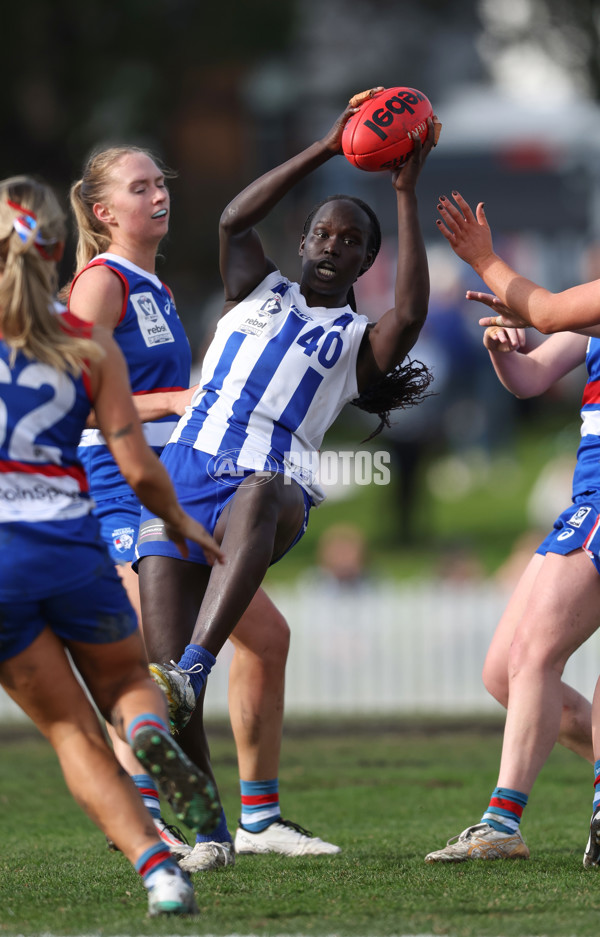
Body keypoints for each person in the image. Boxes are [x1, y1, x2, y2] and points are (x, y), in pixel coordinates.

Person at [134, 90, 438, 839]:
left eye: (350, 241)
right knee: (166, 682)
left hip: (271, 483)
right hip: (186, 472)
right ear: (302, 242)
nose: (334, 245)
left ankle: (197, 665)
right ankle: (210, 835)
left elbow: (414, 313)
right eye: (323, 233)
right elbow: (234, 217)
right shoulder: (255, 285)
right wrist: (330, 146)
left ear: (366, 260)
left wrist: (401, 194)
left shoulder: (358, 338)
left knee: (261, 495)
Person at [65, 145, 339, 870]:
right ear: (103, 211)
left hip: (171, 473)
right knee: (137, 660)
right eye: (139, 186)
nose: (158, 194)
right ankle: (151, 816)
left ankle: (258, 819)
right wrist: (178, 399)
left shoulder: (151, 282)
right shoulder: (100, 281)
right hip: (118, 478)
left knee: (266, 639)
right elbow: (74, 388)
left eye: (162, 182)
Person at [0, 174, 227, 916]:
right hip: (70, 544)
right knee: (127, 684)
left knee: (69, 727)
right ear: (62, 247)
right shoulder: (90, 351)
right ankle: (151, 736)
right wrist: (185, 523)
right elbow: (135, 465)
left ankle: (159, 867)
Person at [424, 190, 600, 863]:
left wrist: (484, 259)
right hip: (587, 492)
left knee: (535, 653)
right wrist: (504, 348)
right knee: (506, 670)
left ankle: (502, 824)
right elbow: (529, 377)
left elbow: (550, 309)